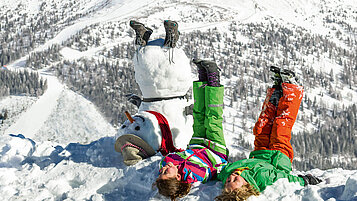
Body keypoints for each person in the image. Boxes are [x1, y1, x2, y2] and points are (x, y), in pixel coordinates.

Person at [215, 67, 322, 201]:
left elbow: (218, 174)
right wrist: (305, 180)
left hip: (260, 152)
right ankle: (292, 89)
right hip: (278, 156)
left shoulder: (227, 172)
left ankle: (276, 91)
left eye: (227, 181)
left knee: (262, 125)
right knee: (280, 125)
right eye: (235, 180)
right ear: (246, 186)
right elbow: (286, 178)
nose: (231, 177)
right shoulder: (261, 179)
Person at [153, 59, 229, 201]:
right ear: (178, 177)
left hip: (197, 143)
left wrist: (170, 163)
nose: (163, 169)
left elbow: (171, 158)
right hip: (215, 150)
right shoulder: (194, 175)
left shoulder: (168, 162)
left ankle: (202, 77)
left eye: (160, 172)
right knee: (213, 118)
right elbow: (213, 172)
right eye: (166, 172)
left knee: (198, 114)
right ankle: (213, 78)